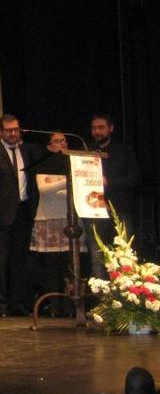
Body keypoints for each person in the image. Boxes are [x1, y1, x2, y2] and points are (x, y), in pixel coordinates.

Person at [0, 114, 39, 317]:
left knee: (18, 260)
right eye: (8, 130)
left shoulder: (27, 150)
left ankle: (17, 302)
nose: (13, 133)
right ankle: (1, 303)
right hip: (1, 214)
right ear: (0, 131)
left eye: (16, 129)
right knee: (0, 260)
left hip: (23, 211)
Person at [28, 132, 80, 316]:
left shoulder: (74, 162)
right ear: (49, 145)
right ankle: (55, 306)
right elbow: (44, 190)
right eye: (57, 141)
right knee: (51, 266)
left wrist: (63, 185)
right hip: (48, 218)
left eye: (64, 140)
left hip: (69, 218)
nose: (62, 143)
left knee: (69, 264)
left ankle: (70, 306)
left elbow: (76, 189)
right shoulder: (44, 163)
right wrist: (68, 181)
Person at [84, 114, 141, 279]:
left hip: (120, 209)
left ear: (111, 128)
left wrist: (109, 182)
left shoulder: (124, 151)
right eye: (94, 128)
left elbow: (135, 178)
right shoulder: (86, 151)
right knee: (97, 255)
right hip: (93, 211)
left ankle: (125, 297)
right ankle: (102, 299)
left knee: (124, 253)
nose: (97, 132)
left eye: (101, 128)